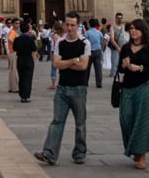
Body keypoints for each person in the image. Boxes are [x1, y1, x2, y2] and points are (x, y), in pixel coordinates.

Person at [35, 11, 90, 165]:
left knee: (80, 122)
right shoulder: (60, 42)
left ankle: (79, 153)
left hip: (79, 88)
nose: (70, 28)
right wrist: (73, 60)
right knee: (57, 121)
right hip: (62, 88)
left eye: (73, 25)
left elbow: (83, 66)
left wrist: (65, 63)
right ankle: (49, 153)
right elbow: (56, 64)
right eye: (67, 24)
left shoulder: (85, 42)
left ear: (78, 25)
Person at [117, 19, 149, 170]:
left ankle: (141, 156)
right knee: (126, 119)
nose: (133, 31)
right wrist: (124, 65)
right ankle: (135, 148)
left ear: (143, 31)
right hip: (127, 88)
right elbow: (120, 70)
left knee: (142, 122)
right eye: (131, 29)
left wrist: (139, 68)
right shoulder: (125, 48)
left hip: (145, 88)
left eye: (136, 29)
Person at [13, 21, 38, 103]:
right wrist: (33, 60)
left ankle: (22, 95)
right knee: (28, 78)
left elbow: (14, 48)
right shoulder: (30, 39)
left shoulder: (17, 39)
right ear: (28, 29)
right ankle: (26, 96)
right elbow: (34, 50)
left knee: (21, 77)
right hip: (28, 59)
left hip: (20, 59)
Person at [85, 18, 104, 88]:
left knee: (87, 68)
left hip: (89, 52)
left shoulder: (87, 33)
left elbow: (85, 42)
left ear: (89, 24)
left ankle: (85, 82)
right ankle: (99, 83)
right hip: (98, 51)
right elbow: (102, 41)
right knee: (98, 69)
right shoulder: (99, 32)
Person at [108, 12, 128, 77]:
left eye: (121, 18)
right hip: (115, 48)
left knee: (124, 62)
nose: (119, 19)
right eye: (118, 18)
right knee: (115, 62)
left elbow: (127, 37)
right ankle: (114, 75)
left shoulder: (124, 27)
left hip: (124, 47)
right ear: (115, 19)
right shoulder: (112, 27)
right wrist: (118, 47)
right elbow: (112, 39)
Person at [6, 18, 19, 92]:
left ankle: (11, 87)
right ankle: (15, 87)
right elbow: (10, 39)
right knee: (14, 70)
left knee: (12, 70)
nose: (18, 25)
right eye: (16, 23)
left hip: (12, 52)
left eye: (18, 23)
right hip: (13, 52)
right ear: (13, 24)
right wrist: (18, 44)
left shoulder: (14, 32)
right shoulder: (13, 32)